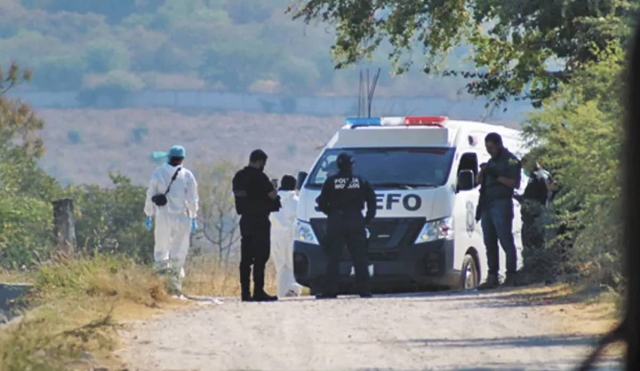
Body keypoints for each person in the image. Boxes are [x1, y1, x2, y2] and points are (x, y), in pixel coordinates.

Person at [315, 153, 377, 299]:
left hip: (336, 221)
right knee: (359, 257)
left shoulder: (331, 181)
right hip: (355, 219)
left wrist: (331, 214)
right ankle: (364, 290)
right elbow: (372, 201)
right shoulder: (360, 180)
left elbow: (322, 202)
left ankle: (330, 290)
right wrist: (366, 219)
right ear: (351, 165)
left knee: (333, 257)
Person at [144, 145, 199, 297]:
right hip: (182, 217)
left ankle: (161, 285)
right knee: (179, 251)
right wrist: (193, 216)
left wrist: (149, 214)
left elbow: (150, 194)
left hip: (163, 216)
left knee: (161, 250)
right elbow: (192, 198)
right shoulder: (187, 175)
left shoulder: (158, 172)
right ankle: (174, 287)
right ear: (182, 159)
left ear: (168, 157)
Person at [232, 149, 281, 302]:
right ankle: (258, 291)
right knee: (260, 257)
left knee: (246, 259)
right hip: (260, 221)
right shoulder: (260, 178)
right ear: (260, 162)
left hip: (246, 221)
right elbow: (273, 198)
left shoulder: (238, 177)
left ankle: (245, 293)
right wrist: (274, 189)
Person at [475, 133, 522, 290]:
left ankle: (511, 275)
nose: (489, 151)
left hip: (502, 203)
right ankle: (492, 276)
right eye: (487, 148)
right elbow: (477, 181)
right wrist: (484, 171)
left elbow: (514, 183)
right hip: (487, 204)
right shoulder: (491, 161)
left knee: (505, 240)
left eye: (491, 147)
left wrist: (497, 176)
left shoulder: (511, 160)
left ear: (499, 144)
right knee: (489, 242)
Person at [515, 154, 553, 283]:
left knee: (533, 245)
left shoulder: (537, 177)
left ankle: (534, 274)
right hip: (537, 216)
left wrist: (517, 197)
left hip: (534, 217)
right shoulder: (544, 175)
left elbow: (531, 199)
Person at [270, 174, 304, 298]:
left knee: (281, 267)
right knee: (293, 265)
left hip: (276, 237)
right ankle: (293, 289)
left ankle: (282, 292)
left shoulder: (272, 200)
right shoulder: (297, 201)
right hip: (292, 237)